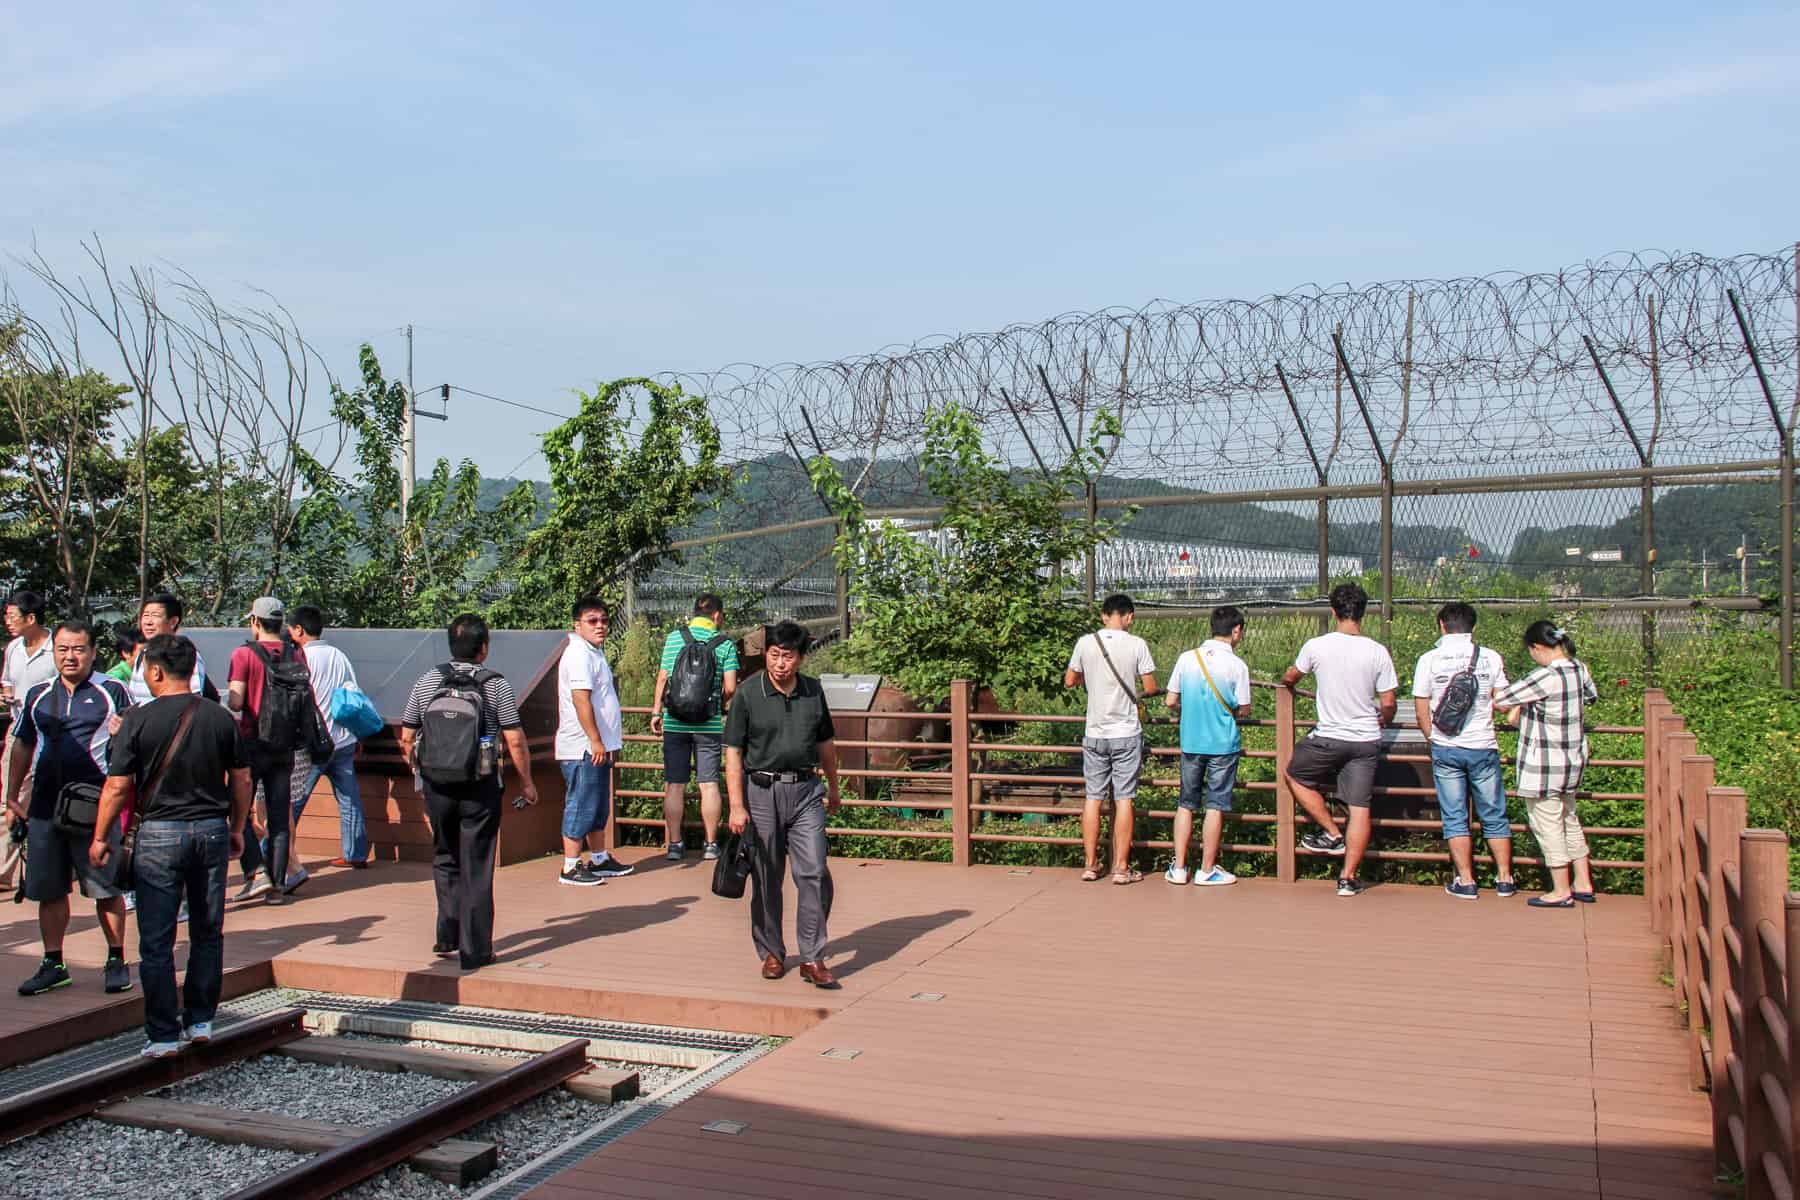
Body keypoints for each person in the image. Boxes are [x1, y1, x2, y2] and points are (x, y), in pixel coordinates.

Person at [91, 634, 250, 1057]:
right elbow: (241, 779)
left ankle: (162, 1034)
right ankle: (200, 1020)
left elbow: (117, 787)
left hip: (158, 834)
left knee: (156, 940)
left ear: (156, 671)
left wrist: (101, 837)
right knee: (207, 930)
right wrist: (237, 827)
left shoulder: (138, 720)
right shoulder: (220, 718)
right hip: (212, 829)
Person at [399, 613, 537, 970]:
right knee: (477, 862)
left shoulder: (428, 680)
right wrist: (527, 781)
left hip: (437, 784)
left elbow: (407, 734)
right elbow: (515, 739)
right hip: (481, 784)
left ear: (450, 644)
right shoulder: (496, 685)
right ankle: (475, 949)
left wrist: (420, 770)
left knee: (445, 854)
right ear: (484, 648)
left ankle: (447, 934)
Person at [6, 620, 134, 996]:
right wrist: (12, 795)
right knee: (48, 888)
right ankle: (53, 962)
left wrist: (120, 735)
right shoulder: (38, 695)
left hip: (94, 808)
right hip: (45, 806)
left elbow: (133, 743)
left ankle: (115, 959)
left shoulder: (113, 691)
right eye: (63, 649)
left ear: (93, 652)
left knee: (105, 886)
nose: (70, 656)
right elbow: (23, 745)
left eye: (78, 649)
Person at [724, 619, 842, 988]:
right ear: (766, 655)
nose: (780, 664)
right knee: (766, 875)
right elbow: (732, 753)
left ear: (801, 659)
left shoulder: (812, 691)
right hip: (761, 792)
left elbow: (825, 744)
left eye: (787, 657)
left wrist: (834, 788)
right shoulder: (747, 693)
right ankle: (772, 952)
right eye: (774, 655)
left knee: (813, 872)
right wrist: (736, 805)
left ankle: (812, 957)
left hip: (807, 791)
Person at [1281, 582, 1398, 898]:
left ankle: (1332, 833)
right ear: (1363, 613)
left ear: (1334, 611)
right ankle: (1348, 878)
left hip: (1329, 736)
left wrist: (1290, 681)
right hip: (1366, 740)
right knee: (1360, 808)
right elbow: (1388, 703)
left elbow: (1291, 676)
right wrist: (1382, 720)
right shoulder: (1377, 651)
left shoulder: (1317, 646)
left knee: (1294, 774)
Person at [1412, 602, 1515, 901]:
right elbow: (1505, 701)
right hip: (1484, 745)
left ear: (1442, 625)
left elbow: (1421, 710)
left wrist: (1434, 738)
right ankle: (1505, 879)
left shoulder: (1429, 659)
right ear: (1473, 627)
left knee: (1455, 815)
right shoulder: (1490, 657)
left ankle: (1466, 881)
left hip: (1447, 747)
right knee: (1494, 813)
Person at [1493, 621, 1600, 909]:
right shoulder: (1579, 669)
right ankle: (1583, 882)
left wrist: (1524, 706)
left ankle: (1560, 889)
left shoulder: (1544, 676)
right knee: (1569, 820)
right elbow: (1592, 696)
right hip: (1573, 760)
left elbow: (1501, 700)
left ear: (1538, 647)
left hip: (1543, 764)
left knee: (1547, 825)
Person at [1064, 593, 1158, 886]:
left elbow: (1070, 680)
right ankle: (1121, 867)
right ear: (1129, 616)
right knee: (1125, 798)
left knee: (1093, 798)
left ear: (1104, 616)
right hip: (1126, 733)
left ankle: (1091, 865)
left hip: (1095, 732)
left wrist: (1088, 679)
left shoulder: (1085, 642)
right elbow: (1150, 687)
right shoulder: (1137, 644)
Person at [1164, 605, 1252, 887]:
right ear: (1236, 631)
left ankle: (1179, 868)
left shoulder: (1187, 658)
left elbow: (1170, 701)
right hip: (1223, 744)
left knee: (1186, 804)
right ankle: (1207, 869)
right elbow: (1245, 708)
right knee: (1215, 806)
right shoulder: (1237, 665)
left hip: (1191, 741)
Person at [227, 597, 307, 903]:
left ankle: (256, 872)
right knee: (278, 817)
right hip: (285, 744)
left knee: (237, 810)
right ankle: (276, 887)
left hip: (252, 741)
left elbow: (236, 701)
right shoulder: (296, 653)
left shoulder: (244, 654)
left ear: (255, 622)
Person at [650, 593, 740, 861]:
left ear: (693, 614)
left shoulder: (675, 638)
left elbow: (663, 677)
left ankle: (675, 844)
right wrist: (715, 702)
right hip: (708, 724)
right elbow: (732, 687)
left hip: (675, 722)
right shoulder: (725, 644)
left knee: (675, 785)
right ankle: (711, 844)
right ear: (717, 615)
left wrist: (657, 712)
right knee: (709, 784)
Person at [553, 596, 630, 886]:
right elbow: (580, 700)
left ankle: (598, 859)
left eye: (604, 620)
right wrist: (596, 740)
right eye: (592, 621)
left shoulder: (593, 652)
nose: (600, 626)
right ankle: (570, 867)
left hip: (598, 747)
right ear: (578, 624)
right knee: (581, 804)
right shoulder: (578, 655)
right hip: (582, 747)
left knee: (597, 805)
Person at [286, 605, 369, 868]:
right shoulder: (338, 655)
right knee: (349, 799)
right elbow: (353, 695)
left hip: (312, 744)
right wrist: (358, 735)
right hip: (343, 740)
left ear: (299, 630)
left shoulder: (299, 658)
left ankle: (276, 855)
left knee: (294, 800)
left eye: (290, 628)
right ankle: (355, 854)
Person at [1, 590, 56, 893]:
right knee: (10, 798)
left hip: (53, 735)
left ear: (31, 618)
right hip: (19, 732)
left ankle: (52, 862)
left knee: (48, 798)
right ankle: (5, 871)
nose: (8, 622)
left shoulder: (57, 648)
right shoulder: (12, 649)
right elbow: (7, 681)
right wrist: (8, 694)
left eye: (13, 616)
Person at [127, 594, 212, 706]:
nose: (148, 622)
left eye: (155, 615)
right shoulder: (142, 655)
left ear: (173, 622)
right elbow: (134, 700)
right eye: (145, 615)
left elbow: (192, 699)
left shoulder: (186, 655)